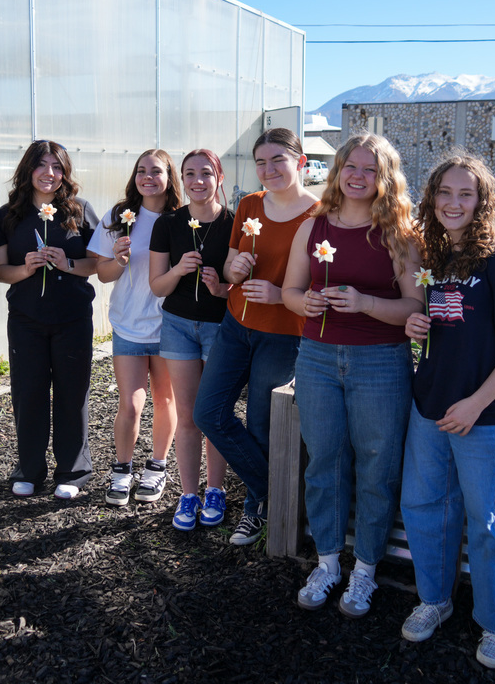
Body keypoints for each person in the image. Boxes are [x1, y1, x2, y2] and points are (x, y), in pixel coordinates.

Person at [399, 153, 495, 669]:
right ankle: (434, 601)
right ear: (432, 198)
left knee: (491, 523)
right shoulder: (433, 255)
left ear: (481, 202)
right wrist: (415, 323)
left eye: (466, 194)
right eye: (445, 193)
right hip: (430, 404)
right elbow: (434, 318)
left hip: (485, 416)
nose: (453, 203)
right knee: (423, 508)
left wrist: (476, 404)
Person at [281, 133, 421, 616]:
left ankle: (365, 572)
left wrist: (365, 304)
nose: (358, 177)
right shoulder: (314, 227)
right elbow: (289, 294)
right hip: (317, 358)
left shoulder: (399, 233)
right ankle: (327, 562)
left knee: (378, 467)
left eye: (370, 170)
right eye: (351, 167)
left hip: (381, 361)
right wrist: (307, 301)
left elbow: (414, 308)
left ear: (386, 179)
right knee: (324, 462)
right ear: (338, 171)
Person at [193, 128, 318, 544]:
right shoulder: (249, 204)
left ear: (300, 162)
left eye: (278, 160)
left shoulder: (319, 216)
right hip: (236, 326)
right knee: (209, 413)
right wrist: (237, 269)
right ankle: (274, 493)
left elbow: (322, 290)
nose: (268, 170)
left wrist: (281, 295)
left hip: (283, 335)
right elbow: (230, 266)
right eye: (261, 162)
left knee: (263, 427)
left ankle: (254, 510)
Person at [0, 140, 99, 499]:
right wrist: (26, 268)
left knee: (72, 394)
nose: (49, 173)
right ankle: (30, 470)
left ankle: (73, 471)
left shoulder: (80, 211)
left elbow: (96, 265)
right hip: (26, 319)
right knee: (28, 394)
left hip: (72, 318)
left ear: (65, 172)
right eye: (41, 165)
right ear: (28, 169)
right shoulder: (10, 214)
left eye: (56, 166)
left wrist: (67, 264)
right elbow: (1, 271)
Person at [87, 150, 181, 506]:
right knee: (130, 403)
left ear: (169, 177)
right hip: (128, 324)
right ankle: (121, 470)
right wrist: (119, 259)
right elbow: (102, 273)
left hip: (170, 326)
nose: (147, 177)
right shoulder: (120, 216)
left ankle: (156, 468)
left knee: (165, 398)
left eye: (156, 171)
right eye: (141, 170)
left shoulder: (181, 220)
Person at [149, 149, 233, 530]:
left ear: (219, 176)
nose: (198, 181)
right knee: (187, 417)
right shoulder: (168, 224)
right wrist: (181, 269)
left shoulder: (237, 223)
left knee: (213, 415)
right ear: (182, 179)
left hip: (221, 329)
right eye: (190, 174)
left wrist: (223, 289)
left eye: (205, 173)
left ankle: (215, 489)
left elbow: (243, 288)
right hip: (179, 325)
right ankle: (188, 494)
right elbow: (156, 285)